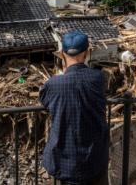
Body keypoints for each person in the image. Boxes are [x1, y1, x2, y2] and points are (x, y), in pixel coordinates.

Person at [40, 31, 109, 185]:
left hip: (63, 164)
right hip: (95, 161)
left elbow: (44, 101)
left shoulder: (53, 84)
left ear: (63, 54)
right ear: (87, 53)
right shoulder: (98, 78)